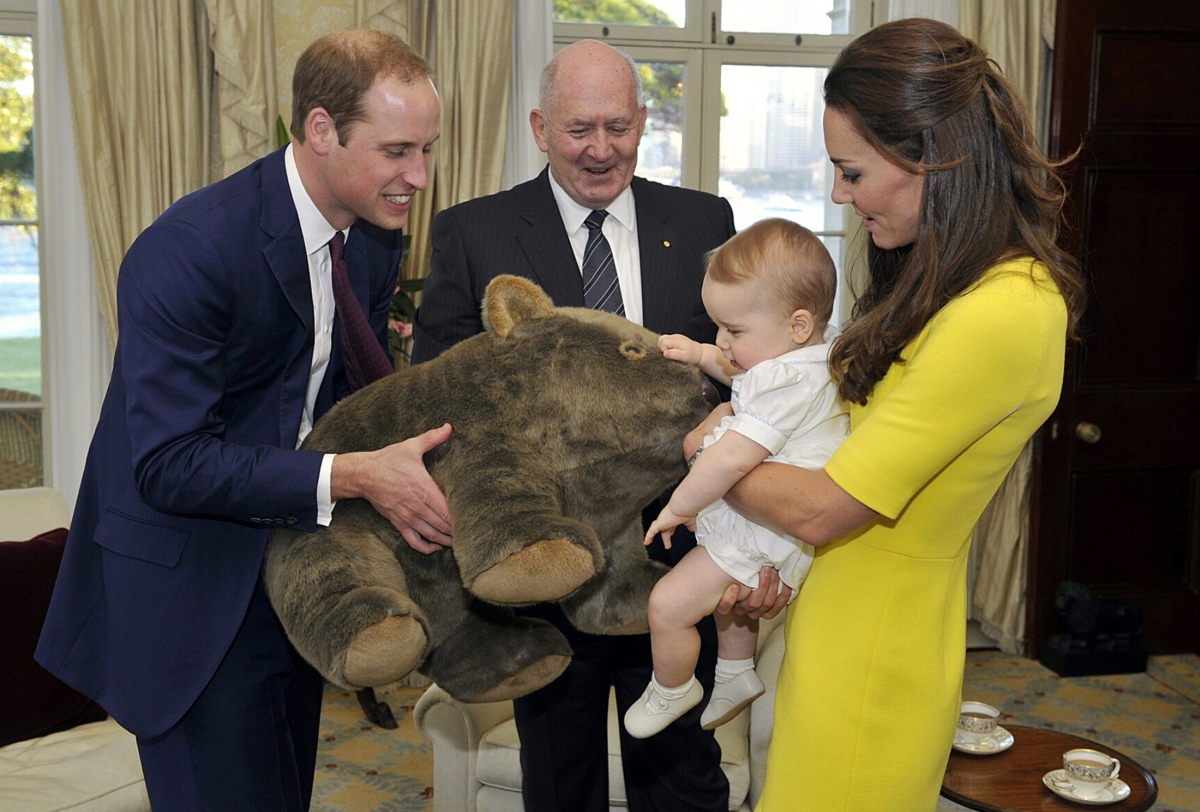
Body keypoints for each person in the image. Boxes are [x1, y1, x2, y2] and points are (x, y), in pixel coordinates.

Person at [35, 30, 453, 812]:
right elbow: (169, 462)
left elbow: (333, 401)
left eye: (427, 149)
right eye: (398, 150)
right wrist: (357, 475)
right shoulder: (189, 250)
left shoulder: (367, 241)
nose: (419, 177)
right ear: (321, 129)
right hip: (187, 596)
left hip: (287, 576)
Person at [699, 18, 1087, 811]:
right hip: (837, 622)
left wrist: (709, 450)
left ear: (933, 155)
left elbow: (823, 507)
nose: (838, 194)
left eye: (852, 171)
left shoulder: (1007, 311)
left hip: (875, 654)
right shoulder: (946, 284)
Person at [411, 39, 741, 812]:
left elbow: (745, 379)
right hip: (548, 568)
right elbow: (437, 400)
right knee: (560, 784)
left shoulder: (703, 222)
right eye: (579, 129)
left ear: (643, 122)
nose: (601, 151)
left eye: (619, 128)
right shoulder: (474, 233)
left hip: (676, 558)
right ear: (539, 127)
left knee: (684, 778)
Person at [625, 219, 848, 739]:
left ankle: (672, 688)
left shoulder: (786, 379)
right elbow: (749, 378)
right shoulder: (811, 357)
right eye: (718, 329)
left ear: (796, 324)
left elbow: (728, 461)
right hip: (777, 526)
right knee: (731, 604)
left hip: (767, 525)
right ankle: (734, 672)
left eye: (734, 332)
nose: (722, 341)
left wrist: (679, 506)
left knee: (667, 605)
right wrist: (705, 356)